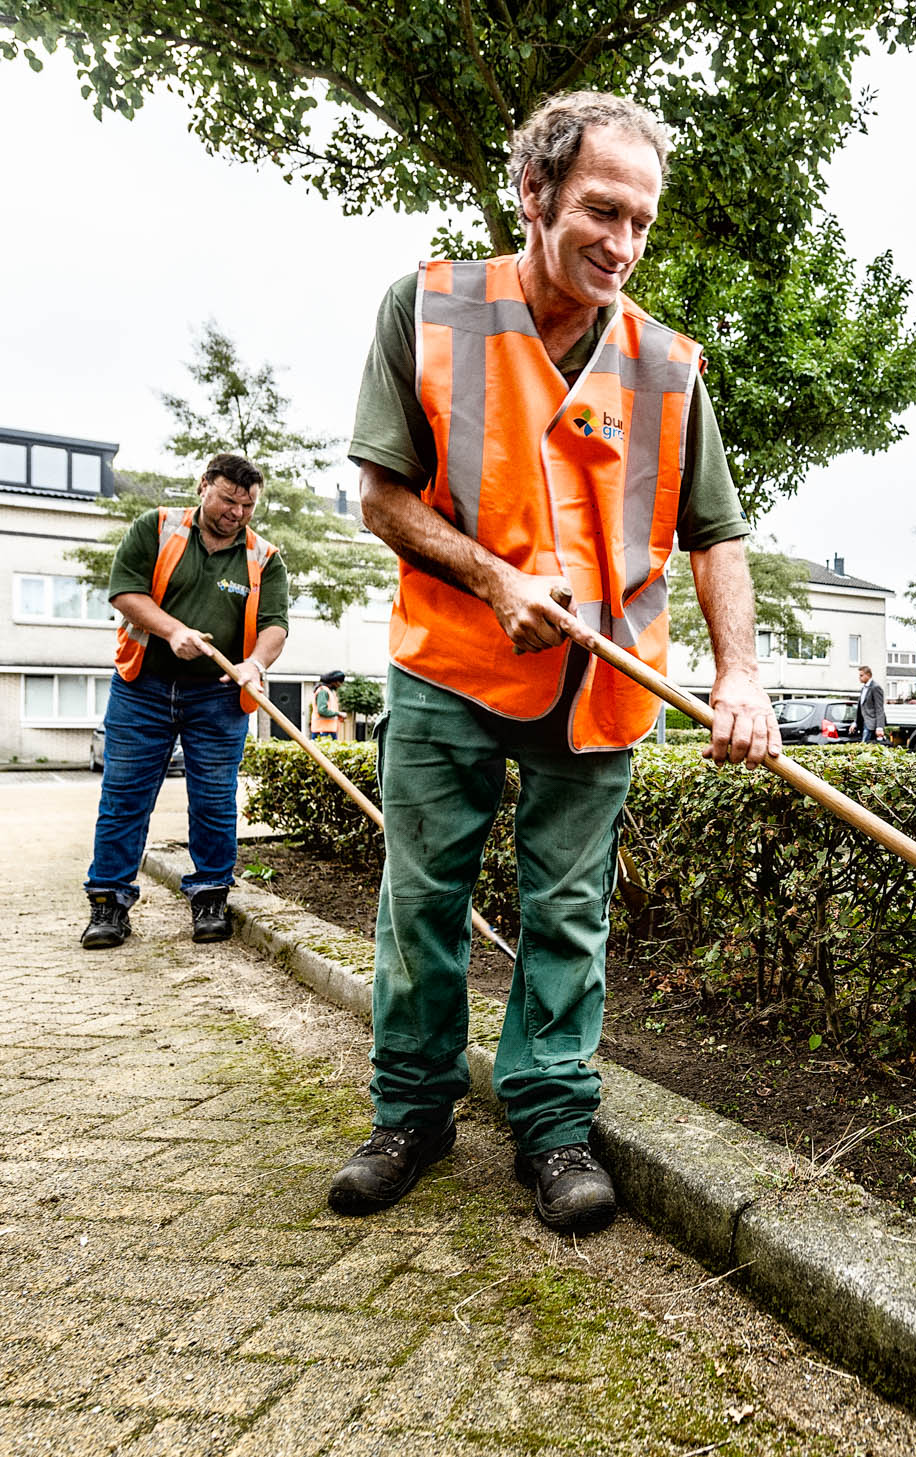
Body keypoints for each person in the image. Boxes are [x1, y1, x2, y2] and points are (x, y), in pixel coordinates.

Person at [328, 90, 780, 1235]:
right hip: (451, 665)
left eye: (641, 223)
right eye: (602, 211)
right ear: (534, 193)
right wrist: (495, 580)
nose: (623, 244)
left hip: (602, 681)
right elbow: (380, 494)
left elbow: (717, 535)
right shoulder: (429, 308)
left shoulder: (668, 366)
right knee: (422, 901)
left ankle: (553, 1122)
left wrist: (739, 675)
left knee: (568, 912)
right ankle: (411, 1114)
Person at [83, 454, 287, 950]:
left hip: (218, 696)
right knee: (125, 797)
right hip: (142, 688)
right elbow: (125, 593)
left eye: (248, 505)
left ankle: (211, 898)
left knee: (215, 801)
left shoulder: (264, 557)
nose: (237, 513)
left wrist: (254, 665)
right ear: (203, 486)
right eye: (228, 500)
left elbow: (275, 626)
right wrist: (173, 631)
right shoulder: (156, 528)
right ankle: (109, 904)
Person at [309, 669, 346, 740]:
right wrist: (338, 713)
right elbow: (322, 710)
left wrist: (337, 715)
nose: (340, 685)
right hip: (322, 731)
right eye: (340, 682)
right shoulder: (323, 692)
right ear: (334, 682)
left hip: (328, 730)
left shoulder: (329, 692)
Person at [856, 664, 887, 743]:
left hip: (871, 724)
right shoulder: (863, 688)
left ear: (868, 675)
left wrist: (879, 727)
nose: (859, 677)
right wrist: (855, 722)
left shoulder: (875, 687)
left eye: (861, 675)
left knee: (864, 746)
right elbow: (860, 707)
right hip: (864, 723)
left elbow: (879, 708)